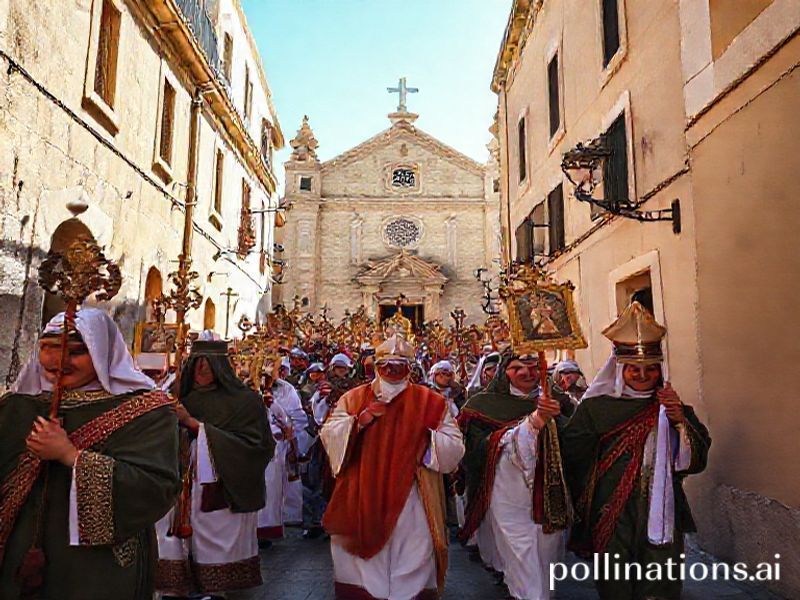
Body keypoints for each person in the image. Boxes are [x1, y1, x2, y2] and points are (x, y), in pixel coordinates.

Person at [0, 308, 179, 599]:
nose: (58, 362)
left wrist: (71, 456)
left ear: (101, 351)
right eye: (48, 348)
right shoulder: (17, 406)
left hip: (94, 565)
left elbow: (156, 488)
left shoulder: (146, 412)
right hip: (16, 553)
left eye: (74, 351)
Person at [561, 302, 711, 600]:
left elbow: (694, 462)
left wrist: (679, 422)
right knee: (615, 579)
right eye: (634, 369)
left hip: (662, 506)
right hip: (610, 508)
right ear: (620, 370)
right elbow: (571, 454)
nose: (642, 375)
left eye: (650, 369)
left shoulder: (674, 409)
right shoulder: (594, 409)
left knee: (661, 577)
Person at [320, 335, 465, 599]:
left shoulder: (431, 402)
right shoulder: (354, 398)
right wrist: (359, 422)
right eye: (386, 363)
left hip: (413, 492)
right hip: (362, 487)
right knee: (360, 558)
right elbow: (329, 433)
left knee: (414, 551)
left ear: (411, 367)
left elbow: (454, 444)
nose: (393, 369)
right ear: (375, 365)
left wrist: (427, 440)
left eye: (400, 363)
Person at [155, 335, 274, 598]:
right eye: (197, 363)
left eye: (208, 364)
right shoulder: (176, 395)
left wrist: (195, 426)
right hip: (176, 485)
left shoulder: (245, 401)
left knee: (213, 543)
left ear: (221, 367)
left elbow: (257, 446)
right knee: (172, 542)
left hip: (220, 486)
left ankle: (215, 589)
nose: (202, 370)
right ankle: (176, 588)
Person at [458, 353, 572, 600]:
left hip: (549, 488)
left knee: (546, 549)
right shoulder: (483, 404)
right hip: (504, 487)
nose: (526, 373)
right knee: (517, 546)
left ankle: (537, 592)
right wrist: (526, 428)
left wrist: (555, 419)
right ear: (504, 372)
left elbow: (576, 440)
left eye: (533, 367)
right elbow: (475, 449)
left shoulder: (559, 401)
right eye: (517, 367)